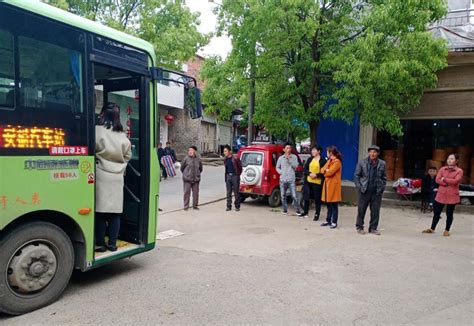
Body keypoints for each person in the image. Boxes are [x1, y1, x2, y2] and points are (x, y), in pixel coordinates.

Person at [95, 102, 132, 252]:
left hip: (101, 174)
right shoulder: (122, 135)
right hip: (117, 176)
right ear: (117, 117)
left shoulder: (97, 131)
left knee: (101, 212)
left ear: (102, 114)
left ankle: (100, 244)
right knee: (115, 213)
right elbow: (128, 155)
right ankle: (112, 244)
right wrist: (120, 165)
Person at [422, 154, 463, 237]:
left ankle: (447, 230)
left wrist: (444, 179)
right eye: (448, 158)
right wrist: (448, 182)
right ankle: (432, 228)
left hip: (452, 194)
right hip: (441, 193)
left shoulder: (459, 171)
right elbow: (437, 180)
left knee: (449, 213)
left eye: (452, 159)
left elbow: (456, 181)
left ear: (456, 161)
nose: (449, 160)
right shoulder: (442, 169)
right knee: (436, 212)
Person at [354, 145, 387, 235]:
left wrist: (382, 188)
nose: (372, 154)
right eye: (371, 152)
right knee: (361, 210)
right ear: (368, 153)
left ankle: (373, 228)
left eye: (375, 152)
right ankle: (359, 227)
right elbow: (356, 176)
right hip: (364, 190)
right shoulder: (362, 162)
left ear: (378, 154)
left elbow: (384, 178)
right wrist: (359, 187)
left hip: (376, 191)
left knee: (375, 211)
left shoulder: (382, 164)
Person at [300, 145, 327, 220]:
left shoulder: (323, 160)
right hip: (308, 181)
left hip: (317, 182)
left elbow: (324, 172)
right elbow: (305, 169)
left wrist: (317, 175)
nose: (312, 151)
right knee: (306, 197)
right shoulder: (310, 159)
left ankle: (317, 214)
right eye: (312, 150)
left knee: (317, 199)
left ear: (319, 151)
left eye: (314, 150)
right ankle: (305, 212)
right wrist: (309, 173)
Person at [276, 143, 302, 216]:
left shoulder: (294, 157)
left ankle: (297, 210)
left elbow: (296, 166)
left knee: (294, 196)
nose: (288, 149)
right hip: (283, 179)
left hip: (291, 179)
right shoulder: (280, 158)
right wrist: (281, 172)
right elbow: (277, 167)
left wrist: (289, 160)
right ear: (284, 149)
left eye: (289, 148)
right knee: (283, 196)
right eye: (287, 148)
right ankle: (285, 209)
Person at [320, 146, 342, 229]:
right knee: (328, 203)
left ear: (331, 153)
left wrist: (326, 171)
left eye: (327, 152)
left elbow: (330, 173)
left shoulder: (337, 162)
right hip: (328, 185)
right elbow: (322, 170)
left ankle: (334, 222)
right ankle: (328, 220)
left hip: (333, 186)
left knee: (334, 204)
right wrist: (326, 171)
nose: (326, 154)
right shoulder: (329, 161)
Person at [180, 146, 203, 210]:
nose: (190, 152)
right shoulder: (186, 159)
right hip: (187, 179)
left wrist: (197, 174)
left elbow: (200, 169)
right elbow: (182, 168)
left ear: (195, 152)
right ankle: (186, 206)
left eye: (191, 150)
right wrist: (186, 174)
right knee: (186, 193)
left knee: (195, 193)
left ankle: (195, 206)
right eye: (189, 150)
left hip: (196, 179)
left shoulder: (198, 159)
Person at [223, 145, 243, 211]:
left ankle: (237, 206)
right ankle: (229, 206)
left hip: (235, 176)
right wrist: (226, 177)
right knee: (228, 192)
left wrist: (237, 175)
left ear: (229, 152)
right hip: (228, 176)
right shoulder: (225, 159)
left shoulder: (235, 158)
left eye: (225, 151)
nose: (224, 152)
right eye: (224, 151)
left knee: (236, 192)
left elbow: (240, 168)